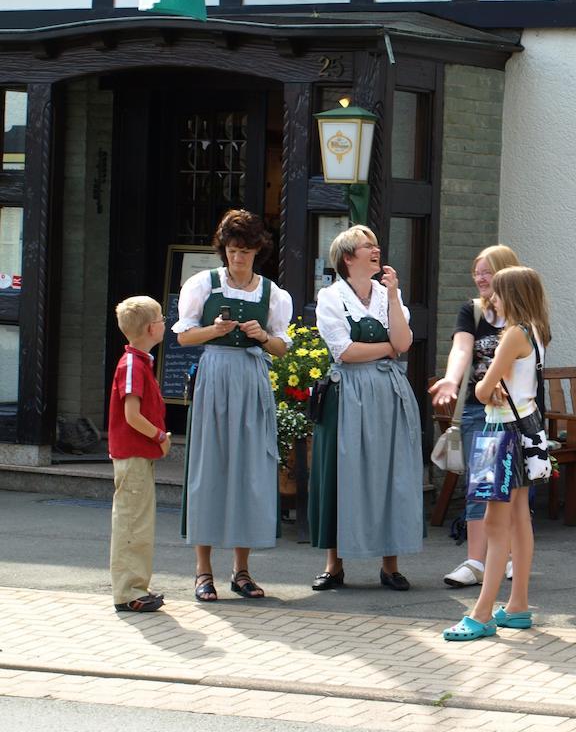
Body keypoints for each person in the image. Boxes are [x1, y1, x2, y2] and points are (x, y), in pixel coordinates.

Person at [173, 209, 293, 602]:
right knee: (210, 467)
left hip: (252, 379)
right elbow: (185, 338)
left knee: (250, 468)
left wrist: (261, 337)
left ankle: (242, 570)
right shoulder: (202, 284)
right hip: (215, 374)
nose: (236, 258)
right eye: (231, 250)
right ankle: (202, 570)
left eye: (243, 250)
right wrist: (215, 330)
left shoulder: (273, 293)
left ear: (257, 250)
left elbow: (281, 349)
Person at [308, 224, 423, 592]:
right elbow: (345, 351)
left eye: (376, 245)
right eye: (367, 246)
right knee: (340, 471)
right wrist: (387, 348)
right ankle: (333, 564)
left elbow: (404, 341)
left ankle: (390, 566)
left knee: (390, 471)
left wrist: (392, 297)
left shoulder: (388, 295)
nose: (376, 250)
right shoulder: (331, 297)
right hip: (348, 393)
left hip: (388, 392)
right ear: (347, 257)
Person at [443, 266, 551, 641]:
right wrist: (492, 389)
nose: (493, 298)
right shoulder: (536, 331)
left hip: (501, 430)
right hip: (527, 427)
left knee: (494, 521)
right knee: (521, 518)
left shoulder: (511, 336)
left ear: (514, 296)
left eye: (499, 292)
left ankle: (482, 612)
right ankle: (518, 605)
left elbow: (481, 390)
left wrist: (487, 388)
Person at [429, 245, 520, 587]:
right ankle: (475, 562)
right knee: (480, 485)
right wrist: (452, 379)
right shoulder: (473, 311)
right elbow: (462, 348)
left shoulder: (523, 315)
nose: (480, 278)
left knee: (511, 486)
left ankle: (511, 554)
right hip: (477, 410)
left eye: (487, 271)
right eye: (476, 272)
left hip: (515, 413)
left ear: (505, 273)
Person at [108, 296, 171, 613]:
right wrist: (159, 436)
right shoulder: (133, 364)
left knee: (137, 521)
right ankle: (129, 591)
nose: (164, 322)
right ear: (150, 327)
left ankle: (134, 587)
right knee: (133, 524)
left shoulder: (137, 360)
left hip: (135, 455)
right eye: (161, 317)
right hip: (133, 454)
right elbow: (132, 415)